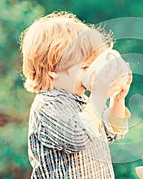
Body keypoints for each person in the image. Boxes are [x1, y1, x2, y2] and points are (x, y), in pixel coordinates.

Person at [20, 11, 132, 179]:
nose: (92, 72)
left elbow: (113, 131)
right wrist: (99, 94)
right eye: (86, 68)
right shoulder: (47, 106)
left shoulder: (83, 101)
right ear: (53, 70)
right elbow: (77, 138)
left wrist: (118, 99)